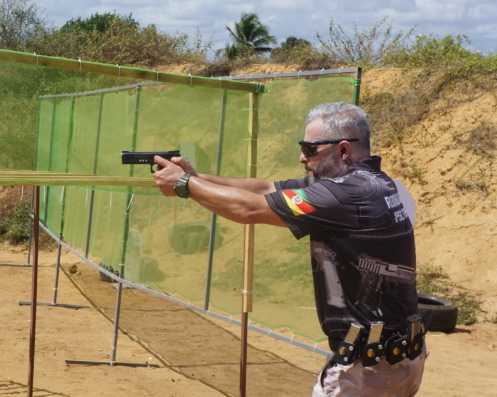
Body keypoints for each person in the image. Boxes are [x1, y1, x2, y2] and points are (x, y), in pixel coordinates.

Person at [153, 102, 427, 396]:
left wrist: (184, 184)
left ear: (343, 150)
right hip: (398, 358)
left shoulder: (344, 193)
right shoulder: (373, 183)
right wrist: (196, 177)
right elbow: (265, 189)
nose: (302, 157)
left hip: (367, 370)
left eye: (310, 149)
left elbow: (249, 209)